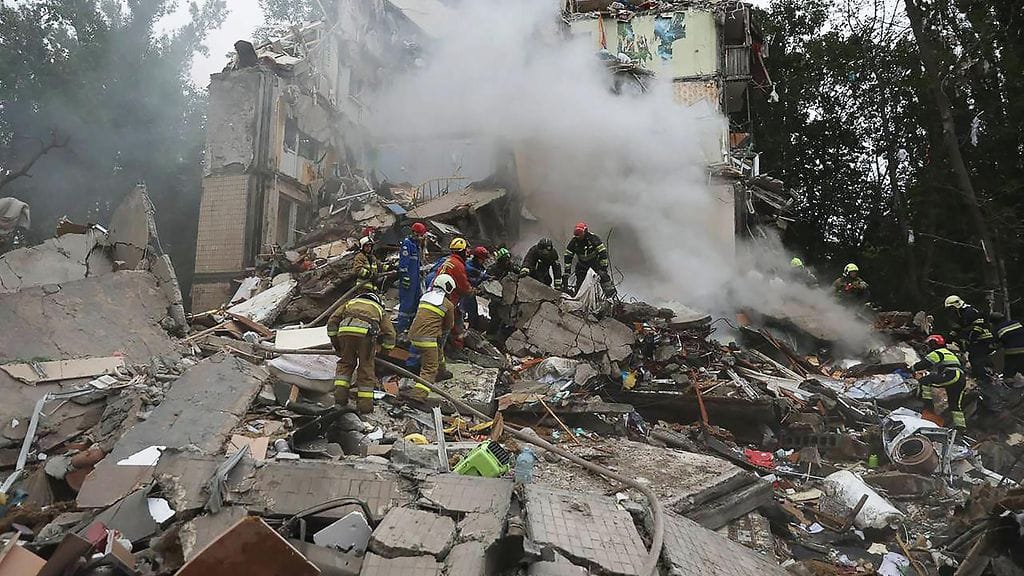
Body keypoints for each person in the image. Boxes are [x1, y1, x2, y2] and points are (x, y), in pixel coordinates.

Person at [327, 292, 396, 414]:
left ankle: (340, 400)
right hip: (366, 335)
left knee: (345, 365)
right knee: (365, 369)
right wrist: (383, 353)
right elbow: (390, 334)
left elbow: (332, 322)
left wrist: (337, 346)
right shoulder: (378, 308)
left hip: (345, 332)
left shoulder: (350, 303)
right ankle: (365, 407)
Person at [408, 273, 457, 390]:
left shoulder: (425, 297)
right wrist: (441, 332)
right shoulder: (447, 304)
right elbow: (449, 325)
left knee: (438, 351)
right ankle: (418, 395)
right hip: (427, 339)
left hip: (413, 334)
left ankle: (442, 372)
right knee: (430, 368)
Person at [911, 334, 967, 429]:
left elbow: (924, 364)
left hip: (952, 375)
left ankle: (927, 406)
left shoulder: (938, 353)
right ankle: (961, 428)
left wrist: (912, 368)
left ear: (933, 344)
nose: (928, 347)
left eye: (929, 344)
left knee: (925, 380)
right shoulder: (949, 353)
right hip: (961, 379)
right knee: (955, 404)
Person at [944, 295, 995, 381]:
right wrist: (947, 340)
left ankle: (986, 381)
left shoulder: (969, 311)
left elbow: (978, 327)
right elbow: (957, 328)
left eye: (951, 308)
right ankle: (981, 378)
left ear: (957, 304)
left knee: (976, 360)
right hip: (975, 341)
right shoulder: (960, 314)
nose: (951, 311)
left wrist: (970, 339)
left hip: (982, 339)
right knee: (973, 359)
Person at [562, 222, 616, 298]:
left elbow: (603, 252)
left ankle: (611, 297)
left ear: (585, 231)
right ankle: (580, 298)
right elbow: (568, 256)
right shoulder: (574, 242)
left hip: (595, 263)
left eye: (579, 233)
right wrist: (567, 271)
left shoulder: (593, 239)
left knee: (604, 277)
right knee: (581, 283)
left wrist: (603, 268)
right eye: (576, 234)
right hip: (582, 264)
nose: (577, 236)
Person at [397, 222, 428, 331]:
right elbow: (403, 264)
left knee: (415, 303)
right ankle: (401, 329)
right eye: (420, 234)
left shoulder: (417, 245)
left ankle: (411, 328)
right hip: (409, 280)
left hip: (416, 280)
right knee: (406, 304)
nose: (421, 237)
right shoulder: (407, 244)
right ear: (414, 233)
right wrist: (405, 277)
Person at [463, 246, 490, 330]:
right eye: (483, 259)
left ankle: (472, 330)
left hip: (471, 293)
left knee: (473, 313)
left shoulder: (480, 267)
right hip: (464, 292)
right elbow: (474, 273)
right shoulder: (468, 265)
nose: (484, 261)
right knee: (462, 311)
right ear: (477, 258)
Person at [993, 315, 1024, 381]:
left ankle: (1009, 386)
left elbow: (996, 345)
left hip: (1012, 352)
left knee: (1009, 372)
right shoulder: (1016, 322)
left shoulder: (998, 329)